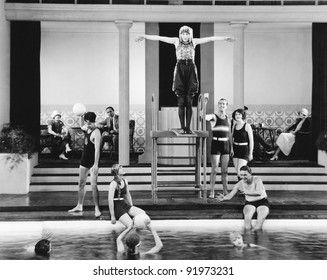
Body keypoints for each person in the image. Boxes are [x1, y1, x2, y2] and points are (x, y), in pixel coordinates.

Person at [136, 26, 235, 134]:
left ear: (190, 35)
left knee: (189, 101)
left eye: (187, 34)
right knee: (181, 101)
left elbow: (210, 38)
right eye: (183, 34)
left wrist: (224, 38)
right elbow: (160, 37)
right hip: (180, 69)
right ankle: (182, 126)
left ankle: (187, 127)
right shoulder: (176, 41)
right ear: (180, 34)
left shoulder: (194, 42)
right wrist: (144, 36)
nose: (185, 36)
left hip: (191, 70)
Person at [216, 165, 270, 231]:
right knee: (247, 220)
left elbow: (259, 193)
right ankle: (249, 238)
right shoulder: (239, 184)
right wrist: (224, 197)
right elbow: (230, 195)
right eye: (241, 175)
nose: (243, 177)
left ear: (250, 174)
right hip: (250, 203)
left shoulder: (257, 179)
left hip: (262, 202)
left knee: (260, 220)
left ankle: (257, 236)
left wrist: (246, 192)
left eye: (245, 175)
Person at [68, 112, 102, 218]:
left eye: (89, 122)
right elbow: (81, 125)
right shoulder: (86, 128)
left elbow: (97, 150)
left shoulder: (96, 132)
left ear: (91, 121)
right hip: (84, 161)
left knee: (94, 186)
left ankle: (97, 208)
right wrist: (81, 116)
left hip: (92, 162)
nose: (88, 124)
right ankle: (79, 205)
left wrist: (96, 165)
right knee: (81, 184)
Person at [206, 98, 233, 197]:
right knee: (214, 169)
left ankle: (225, 191)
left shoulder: (229, 119)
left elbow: (230, 134)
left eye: (224, 104)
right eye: (220, 104)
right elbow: (204, 117)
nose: (222, 105)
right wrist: (204, 105)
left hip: (226, 145)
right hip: (216, 144)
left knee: (225, 170)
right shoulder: (214, 116)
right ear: (218, 105)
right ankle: (212, 191)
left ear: (226, 106)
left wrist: (232, 148)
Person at [231, 108, 254, 180]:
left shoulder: (247, 126)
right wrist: (231, 149)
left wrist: (250, 153)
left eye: (239, 114)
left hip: (244, 149)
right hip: (235, 149)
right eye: (236, 114)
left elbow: (251, 141)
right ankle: (241, 189)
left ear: (242, 115)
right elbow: (231, 138)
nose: (237, 116)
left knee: (241, 171)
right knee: (238, 172)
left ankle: (244, 189)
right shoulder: (234, 126)